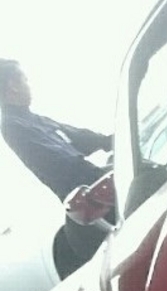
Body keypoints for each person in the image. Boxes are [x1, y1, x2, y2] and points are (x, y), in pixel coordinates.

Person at [0, 60, 112, 201]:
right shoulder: (13, 126)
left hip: (96, 182)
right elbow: (62, 163)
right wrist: (104, 174)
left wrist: (112, 141)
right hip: (90, 197)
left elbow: (79, 137)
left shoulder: (37, 120)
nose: (29, 86)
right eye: (25, 80)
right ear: (13, 86)